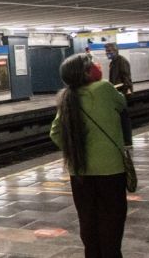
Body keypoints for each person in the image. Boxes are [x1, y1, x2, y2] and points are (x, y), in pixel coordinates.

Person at [50, 53, 127, 257]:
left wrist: (77, 149)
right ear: (86, 72)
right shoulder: (104, 89)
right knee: (112, 222)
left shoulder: (67, 98)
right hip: (110, 170)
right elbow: (122, 104)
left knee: (89, 222)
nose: (97, 66)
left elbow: (55, 133)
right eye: (92, 64)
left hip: (80, 172)